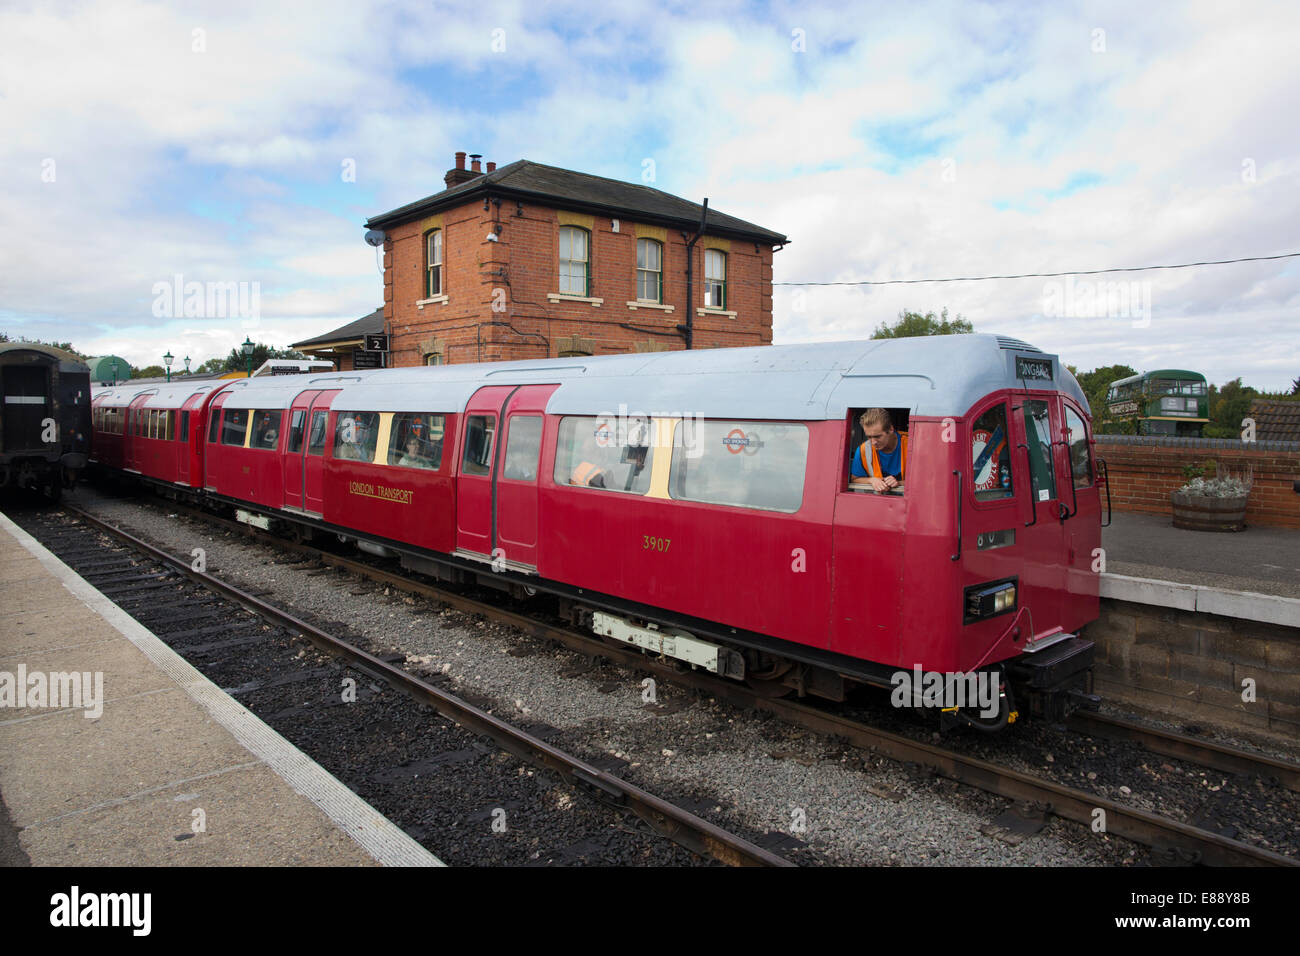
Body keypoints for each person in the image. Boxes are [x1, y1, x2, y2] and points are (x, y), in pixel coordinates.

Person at [850, 408, 908, 493]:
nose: (873, 442)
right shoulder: (863, 450)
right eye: (869, 437)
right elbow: (855, 479)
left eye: (877, 436)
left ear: (891, 429)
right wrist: (871, 480)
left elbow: (924, 480)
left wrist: (899, 483)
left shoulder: (912, 445)